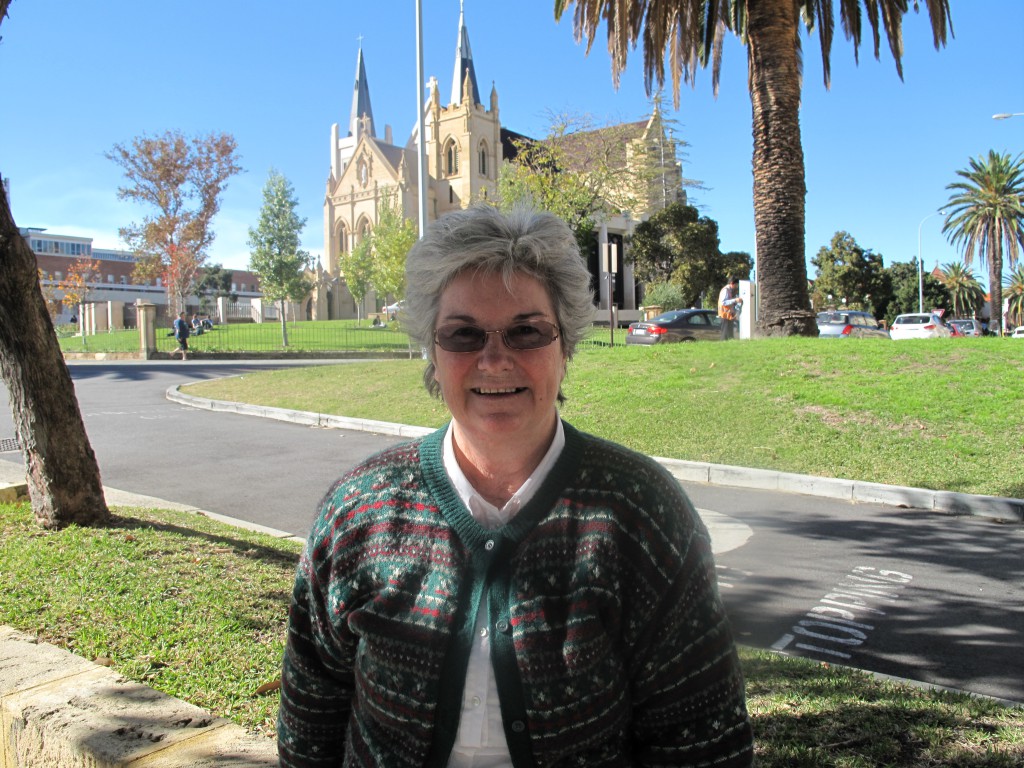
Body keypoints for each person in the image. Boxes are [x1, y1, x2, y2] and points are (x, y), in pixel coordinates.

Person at [277, 205, 754, 767]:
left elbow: (701, 742)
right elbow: (311, 722)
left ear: (565, 345)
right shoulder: (360, 509)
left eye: (527, 330)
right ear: (432, 350)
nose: (495, 359)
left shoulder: (641, 512)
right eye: (463, 334)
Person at [718, 276, 743, 340]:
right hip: (724, 315)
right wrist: (735, 300)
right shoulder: (725, 290)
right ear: (732, 283)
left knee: (730, 336)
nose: (736, 286)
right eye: (736, 284)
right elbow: (723, 302)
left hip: (728, 316)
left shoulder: (729, 291)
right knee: (724, 335)